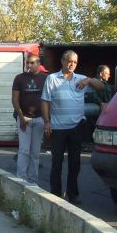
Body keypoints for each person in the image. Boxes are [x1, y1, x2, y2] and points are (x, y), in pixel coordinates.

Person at [41, 50, 104, 205]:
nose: (72, 65)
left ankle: (72, 194)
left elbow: (101, 87)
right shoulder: (52, 79)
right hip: (57, 127)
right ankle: (55, 193)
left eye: (75, 62)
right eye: (69, 61)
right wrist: (47, 121)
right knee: (57, 162)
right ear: (62, 61)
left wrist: (89, 79)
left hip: (76, 127)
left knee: (75, 163)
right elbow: (45, 101)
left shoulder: (81, 79)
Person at [11, 54, 48, 184]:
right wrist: (21, 117)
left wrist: (47, 120)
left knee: (35, 152)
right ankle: (21, 179)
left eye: (32, 63)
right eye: (27, 63)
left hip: (39, 119)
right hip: (24, 118)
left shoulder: (45, 78)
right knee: (24, 150)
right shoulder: (19, 78)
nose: (29, 65)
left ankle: (33, 181)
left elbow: (48, 99)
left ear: (38, 64)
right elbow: (14, 99)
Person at [83, 64, 113, 151]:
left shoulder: (106, 84)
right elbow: (91, 95)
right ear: (101, 74)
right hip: (95, 113)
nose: (109, 76)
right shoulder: (94, 83)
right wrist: (101, 103)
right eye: (107, 73)